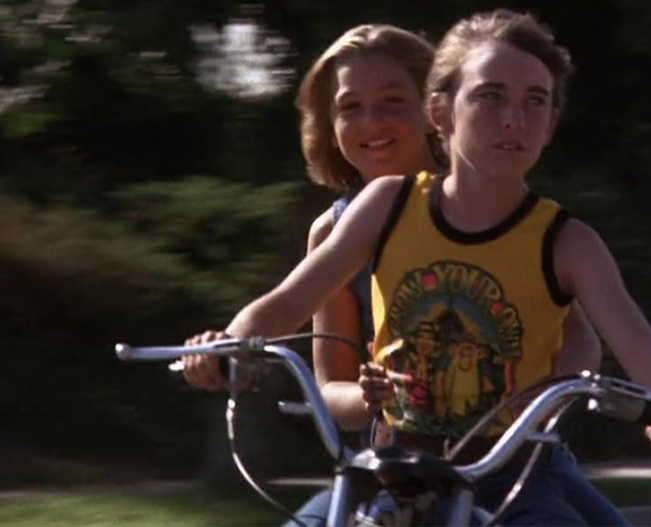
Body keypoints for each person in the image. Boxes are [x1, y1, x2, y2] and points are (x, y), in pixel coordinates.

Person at [183, 21, 603, 527]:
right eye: (349, 107)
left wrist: (530, 404)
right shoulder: (332, 230)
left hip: (513, 462)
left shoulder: (484, 204)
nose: (371, 123)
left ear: (436, 109)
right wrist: (369, 396)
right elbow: (330, 386)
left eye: (392, 102)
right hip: (396, 466)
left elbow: (579, 342)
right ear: (328, 122)